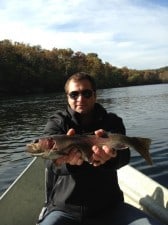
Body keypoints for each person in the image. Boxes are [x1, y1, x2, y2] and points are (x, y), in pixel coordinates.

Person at [38, 72, 161, 225]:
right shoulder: (56, 124)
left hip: (110, 208)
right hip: (64, 209)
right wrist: (66, 163)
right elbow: (49, 164)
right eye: (74, 94)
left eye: (86, 93)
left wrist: (111, 158)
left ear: (95, 95)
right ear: (67, 97)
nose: (80, 99)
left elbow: (125, 156)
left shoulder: (112, 121)